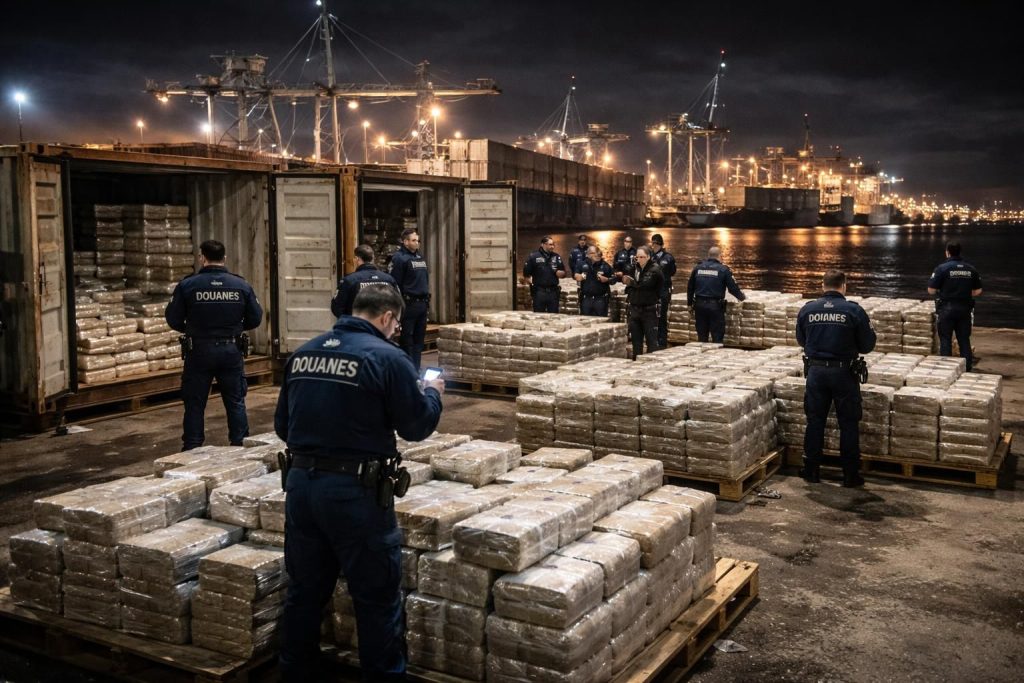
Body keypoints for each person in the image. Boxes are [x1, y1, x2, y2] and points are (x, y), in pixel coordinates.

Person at [275, 286, 444, 682]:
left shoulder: (304, 354)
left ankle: (294, 673)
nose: (397, 331)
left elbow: (283, 425)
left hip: (301, 488)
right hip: (356, 495)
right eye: (397, 325)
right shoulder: (388, 358)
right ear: (387, 318)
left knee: (304, 592)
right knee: (376, 598)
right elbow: (416, 425)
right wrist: (433, 395)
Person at [165, 239, 263, 450]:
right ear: (224, 258)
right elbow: (255, 319)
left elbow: (173, 319)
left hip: (199, 349)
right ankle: (239, 444)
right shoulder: (240, 285)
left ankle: (192, 447)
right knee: (235, 400)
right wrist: (234, 328)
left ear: (202, 257)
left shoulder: (188, 285)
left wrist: (193, 330)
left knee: (195, 403)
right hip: (231, 349)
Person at [796, 270, 877, 488]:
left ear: (823, 285)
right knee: (848, 423)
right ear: (844, 286)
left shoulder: (808, 309)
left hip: (816, 372)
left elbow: (801, 340)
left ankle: (811, 470)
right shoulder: (853, 311)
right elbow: (868, 345)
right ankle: (850, 474)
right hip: (844, 373)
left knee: (815, 421)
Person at [927, 241, 982, 370]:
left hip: (947, 308)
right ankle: (967, 369)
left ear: (947, 252)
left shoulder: (941, 268)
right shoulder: (971, 269)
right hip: (964, 309)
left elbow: (931, 290)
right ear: (960, 252)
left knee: (945, 339)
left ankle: (947, 370)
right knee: (964, 340)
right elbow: (978, 291)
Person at [389, 228, 430, 370]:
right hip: (408, 304)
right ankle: (407, 371)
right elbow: (395, 284)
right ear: (405, 242)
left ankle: (416, 369)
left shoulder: (420, 257)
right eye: (413, 240)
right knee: (407, 341)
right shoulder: (399, 259)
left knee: (419, 341)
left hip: (422, 304)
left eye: (418, 240)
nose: (417, 243)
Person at [686, 246, 746, 343]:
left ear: (708, 256)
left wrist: (689, 304)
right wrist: (742, 298)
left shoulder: (697, 268)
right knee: (717, 336)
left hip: (699, 306)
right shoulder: (723, 270)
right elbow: (733, 288)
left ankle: (702, 355)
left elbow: (690, 287)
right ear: (720, 256)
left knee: (702, 336)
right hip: (715, 307)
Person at [331, 244, 398, 318]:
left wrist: (350, 322)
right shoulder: (389, 280)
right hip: (382, 326)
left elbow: (336, 308)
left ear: (356, 259)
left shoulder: (349, 281)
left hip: (357, 325)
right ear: (373, 258)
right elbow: (398, 304)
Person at [622, 245, 664, 358]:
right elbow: (628, 283)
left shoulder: (654, 269)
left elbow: (644, 285)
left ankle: (651, 366)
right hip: (635, 309)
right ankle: (636, 363)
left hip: (649, 310)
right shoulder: (634, 268)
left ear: (648, 257)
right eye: (637, 257)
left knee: (651, 341)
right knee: (636, 342)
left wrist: (631, 283)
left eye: (642, 257)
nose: (639, 259)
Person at [523, 236, 566, 313]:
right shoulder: (534, 256)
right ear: (542, 244)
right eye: (550, 244)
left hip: (553, 292)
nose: (552, 247)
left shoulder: (556, 257)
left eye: (553, 244)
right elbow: (526, 274)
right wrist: (531, 285)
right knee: (538, 316)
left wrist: (559, 273)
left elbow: (563, 273)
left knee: (554, 316)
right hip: (539, 292)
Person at [649, 234, 677, 348]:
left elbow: (672, 272)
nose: (653, 246)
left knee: (662, 317)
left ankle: (662, 342)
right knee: (651, 316)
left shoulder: (668, 258)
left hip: (664, 290)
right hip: (651, 291)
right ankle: (652, 341)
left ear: (661, 244)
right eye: (652, 243)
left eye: (656, 243)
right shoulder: (649, 256)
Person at [574, 246, 614, 317]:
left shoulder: (605, 265)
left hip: (600, 299)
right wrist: (578, 277)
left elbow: (614, 279)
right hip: (586, 299)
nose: (593, 255)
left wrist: (607, 279)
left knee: (601, 322)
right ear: (587, 254)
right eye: (591, 253)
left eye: (594, 253)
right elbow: (576, 274)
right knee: (585, 321)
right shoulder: (582, 264)